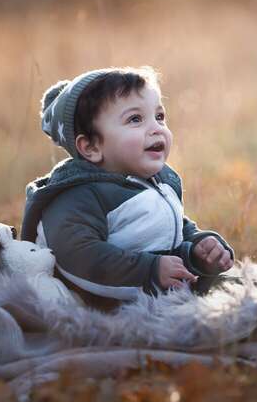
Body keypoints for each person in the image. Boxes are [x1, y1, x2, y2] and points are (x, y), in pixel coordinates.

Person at [20, 66, 235, 311]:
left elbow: (166, 225)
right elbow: (79, 256)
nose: (156, 128)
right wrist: (149, 271)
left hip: (153, 297)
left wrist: (197, 247)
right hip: (93, 308)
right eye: (135, 119)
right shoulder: (77, 196)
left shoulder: (154, 179)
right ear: (91, 147)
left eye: (160, 116)